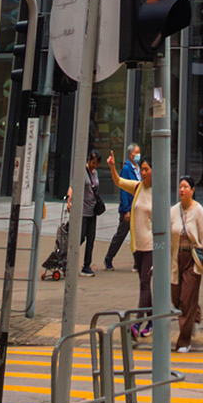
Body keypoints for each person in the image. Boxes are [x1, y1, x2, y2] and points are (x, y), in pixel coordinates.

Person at [171, 174, 203, 350]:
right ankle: (195, 315)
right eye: (180, 187)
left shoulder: (198, 210)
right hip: (175, 259)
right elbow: (166, 238)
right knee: (176, 298)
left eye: (186, 187)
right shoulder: (173, 211)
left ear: (192, 190)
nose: (182, 190)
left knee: (186, 300)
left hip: (192, 260)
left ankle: (184, 341)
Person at [108, 152, 155, 337]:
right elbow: (118, 181)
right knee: (144, 285)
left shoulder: (158, 193)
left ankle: (137, 324)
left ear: (154, 171)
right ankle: (152, 322)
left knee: (144, 283)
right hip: (137, 247)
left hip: (151, 247)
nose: (143, 173)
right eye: (141, 169)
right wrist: (112, 166)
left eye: (146, 169)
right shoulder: (137, 187)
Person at [104, 142, 140, 268]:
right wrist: (126, 210)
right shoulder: (126, 169)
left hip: (137, 208)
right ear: (131, 154)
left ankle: (138, 262)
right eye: (136, 153)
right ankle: (108, 258)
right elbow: (124, 190)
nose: (138, 155)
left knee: (137, 236)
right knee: (121, 234)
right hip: (128, 208)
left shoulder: (138, 168)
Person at [79, 152, 105, 275]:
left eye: (97, 164)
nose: (94, 166)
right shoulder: (82, 172)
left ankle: (86, 265)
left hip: (92, 211)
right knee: (80, 237)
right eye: (93, 163)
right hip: (83, 211)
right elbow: (74, 187)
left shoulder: (95, 173)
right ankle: (67, 258)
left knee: (91, 239)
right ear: (89, 159)